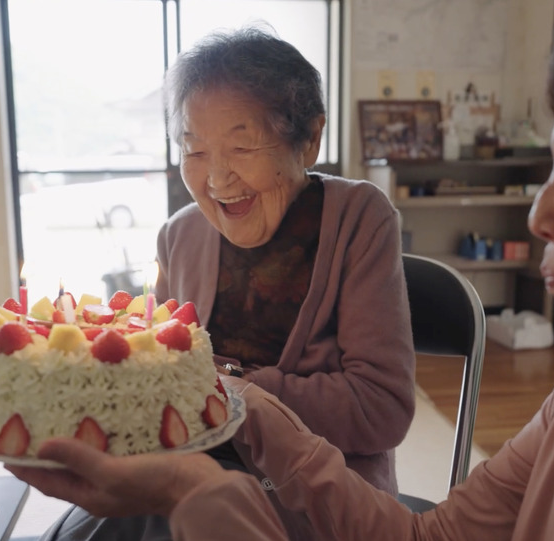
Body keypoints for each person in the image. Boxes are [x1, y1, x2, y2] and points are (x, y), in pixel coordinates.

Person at [9, 0, 554, 538]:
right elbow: (432, 537)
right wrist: (211, 438)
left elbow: (380, 409)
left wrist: (215, 457)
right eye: (193, 146)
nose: (540, 214)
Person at [24, 25, 416, 541]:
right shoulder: (180, 235)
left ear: (310, 139)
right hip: (184, 468)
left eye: (242, 144)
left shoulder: (360, 219)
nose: (216, 178)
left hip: (314, 488)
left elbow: (380, 409)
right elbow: (156, 383)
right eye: (195, 149)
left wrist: (235, 394)